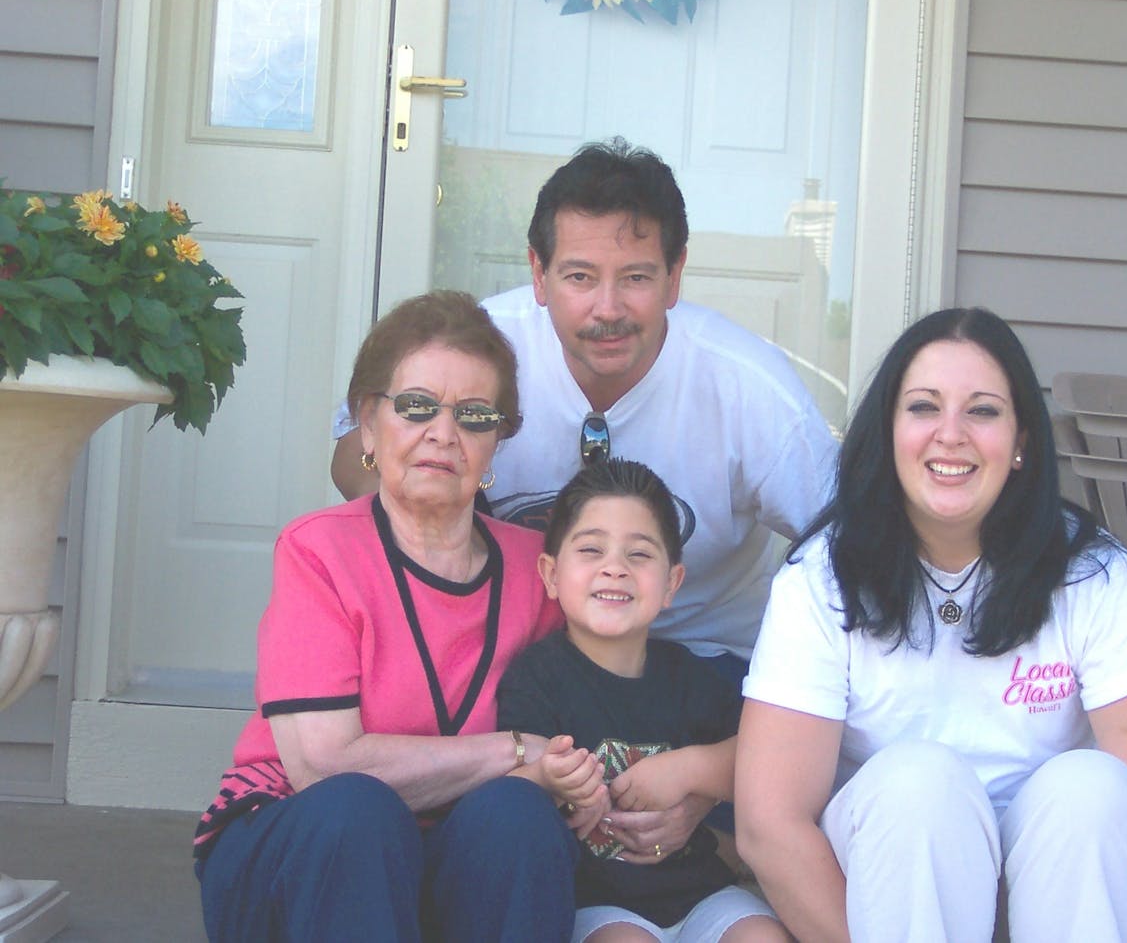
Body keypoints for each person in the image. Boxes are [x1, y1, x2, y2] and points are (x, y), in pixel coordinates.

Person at [333, 137, 838, 853]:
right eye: (578, 275)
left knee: (761, 824)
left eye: (635, 277)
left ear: (674, 276)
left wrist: (699, 775)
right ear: (537, 275)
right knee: (480, 825)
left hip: (705, 661)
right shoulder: (479, 349)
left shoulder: (746, 386)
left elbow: (849, 544)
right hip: (525, 647)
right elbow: (353, 457)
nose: (607, 308)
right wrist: (440, 508)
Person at [734, 308, 1127, 942]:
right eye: (923, 407)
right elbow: (770, 823)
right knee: (920, 786)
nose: (951, 434)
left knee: (1093, 790)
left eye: (983, 411)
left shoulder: (1091, 574)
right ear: (888, 431)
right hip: (890, 891)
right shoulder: (821, 576)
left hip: (1063, 881)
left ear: (1021, 442)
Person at [194, 291, 599, 943]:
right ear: (368, 422)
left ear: (497, 441)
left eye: (473, 415)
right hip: (302, 845)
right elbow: (323, 768)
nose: (443, 433)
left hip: (455, 850)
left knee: (520, 815)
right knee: (357, 805)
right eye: (416, 406)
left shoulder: (540, 572)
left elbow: (571, 753)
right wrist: (513, 749)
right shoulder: (318, 550)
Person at [496, 459, 790, 943]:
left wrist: (690, 769)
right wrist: (551, 781)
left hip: (702, 891)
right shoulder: (536, 677)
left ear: (672, 583)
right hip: (599, 903)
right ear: (550, 574)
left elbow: (770, 758)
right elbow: (508, 790)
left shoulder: (691, 676)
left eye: (639, 554)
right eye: (591, 549)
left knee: (762, 936)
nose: (615, 567)